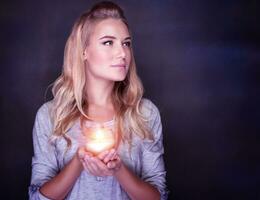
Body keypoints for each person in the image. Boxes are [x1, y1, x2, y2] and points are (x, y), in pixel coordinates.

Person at [29, 1, 167, 199]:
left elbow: (158, 195)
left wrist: (119, 169)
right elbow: (37, 197)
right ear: (84, 51)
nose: (122, 53)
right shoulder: (50, 115)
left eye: (126, 43)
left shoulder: (144, 113)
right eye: (108, 42)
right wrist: (79, 160)